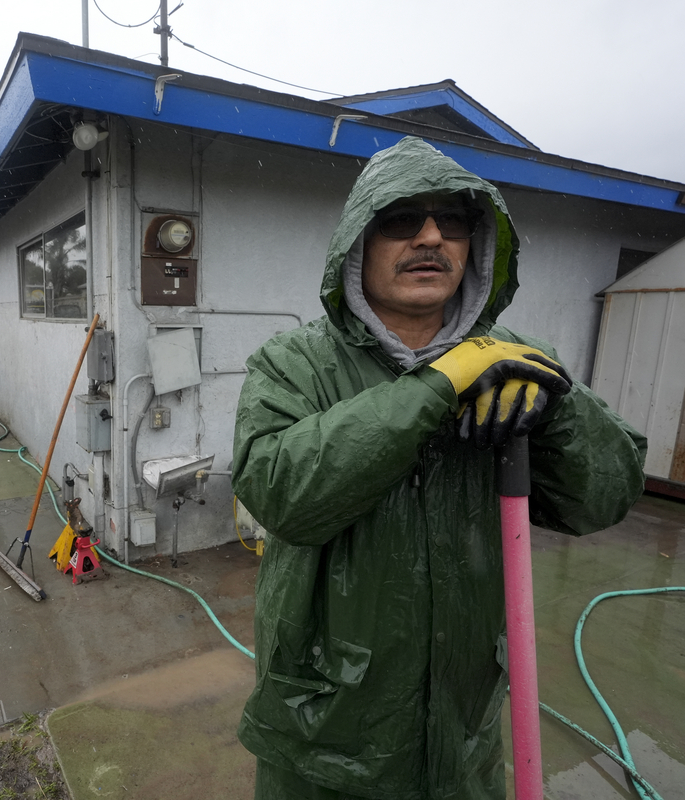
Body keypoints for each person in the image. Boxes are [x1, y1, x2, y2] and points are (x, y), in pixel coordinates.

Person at [232, 136, 646, 799]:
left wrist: (560, 415)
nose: (431, 237)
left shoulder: (519, 359)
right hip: (323, 727)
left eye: (452, 221)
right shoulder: (293, 363)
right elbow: (281, 495)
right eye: (401, 220)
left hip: (464, 725)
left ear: (474, 244)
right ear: (358, 243)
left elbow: (604, 496)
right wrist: (436, 388)